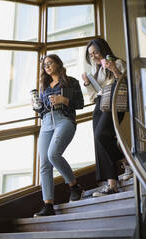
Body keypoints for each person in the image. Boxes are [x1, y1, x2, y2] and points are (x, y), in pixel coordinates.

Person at [32, 54, 84, 217]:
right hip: (47, 122)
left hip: (64, 120)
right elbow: (42, 110)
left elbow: (80, 104)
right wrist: (37, 106)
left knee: (53, 154)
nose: (46, 66)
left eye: (50, 63)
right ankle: (48, 205)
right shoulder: (44, 87)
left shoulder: (71, 82)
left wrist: (64, 100)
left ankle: (74, 186)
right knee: (44, 164)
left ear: (58, 64)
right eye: (44, 65)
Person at [81, 38, 132, 197]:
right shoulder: (97, 71)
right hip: (100, 105)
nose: (94, 56)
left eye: (96, 52)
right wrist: (88, 83)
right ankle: (112, 183)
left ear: (104, 50)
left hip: (115, 102)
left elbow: (127, 83)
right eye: (91, 55)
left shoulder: (118, 62)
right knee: (99, 140)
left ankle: (126, 162)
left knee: (101, 134)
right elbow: (94, 96)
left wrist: (115, 70)